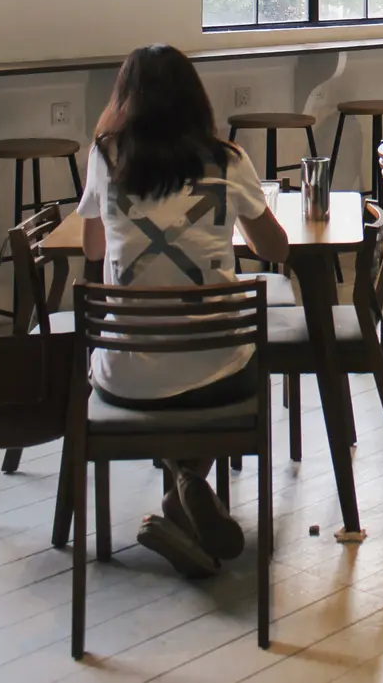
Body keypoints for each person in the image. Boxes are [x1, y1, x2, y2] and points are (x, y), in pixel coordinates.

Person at [78, 45, 289, 579]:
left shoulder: (105, 157)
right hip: (218, 377)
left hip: (124, 376)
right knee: (216, 363)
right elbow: (275, 249)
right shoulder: (228, 160)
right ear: (196, 99)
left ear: (124, 100)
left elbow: (93, 249)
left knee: (161, 370)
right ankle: (187, 481)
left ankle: (180, 490)